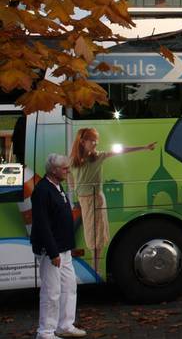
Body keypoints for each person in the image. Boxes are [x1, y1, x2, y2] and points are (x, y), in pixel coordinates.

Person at [68, 128, 156, 271]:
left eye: (96, 140)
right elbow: (68, 174)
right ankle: (94, 267)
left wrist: (144, 147)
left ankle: (95, 268)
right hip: (84, 200)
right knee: (91, 233)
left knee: (97, 233)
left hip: (96, 199)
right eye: (92, 140)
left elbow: (121, 151)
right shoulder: (73, 160)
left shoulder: (98, 156)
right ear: (82, 142)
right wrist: (73, 189)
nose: (95, 143)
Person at [31, 154, 86, 339]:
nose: (67, 171)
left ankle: (65, 325)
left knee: (69, 287)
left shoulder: (56, 186)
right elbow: (42, 224)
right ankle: (45, 332)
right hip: (52, 251)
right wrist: (53, 252)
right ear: (53, 170)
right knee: (51, 292)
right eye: (64, 168)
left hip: (64, 249)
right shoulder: (42, 191)